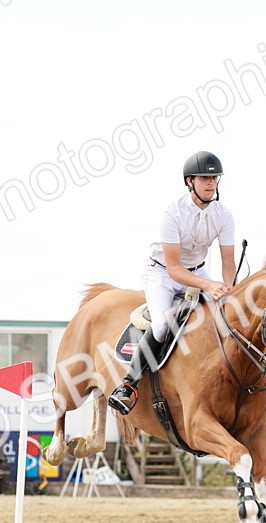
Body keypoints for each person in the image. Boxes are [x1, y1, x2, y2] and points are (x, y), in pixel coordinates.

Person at [108, 151, 236, 414]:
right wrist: (209, 286)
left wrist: (230, 292)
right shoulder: (173, 214)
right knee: (162, 325)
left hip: (199, 271)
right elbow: (175, 269)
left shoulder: (224, 215)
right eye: (204, 178)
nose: (211, 183)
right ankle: (128, 385)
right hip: (163, 275)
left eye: (214, 178)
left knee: (233, 316)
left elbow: (228, 263)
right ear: (190, 181)